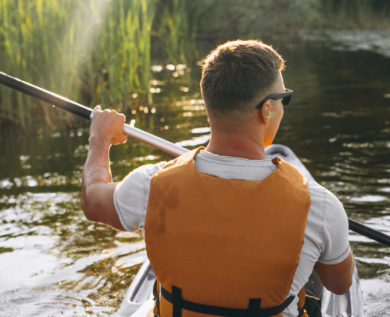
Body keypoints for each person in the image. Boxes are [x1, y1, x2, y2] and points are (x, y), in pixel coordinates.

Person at [79, 40, 354, 317]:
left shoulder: (151, 185)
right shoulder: (319, 206)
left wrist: (100, 140)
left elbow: (93, 200)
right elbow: (339, 283)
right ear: (267, 109)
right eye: (284, 98)